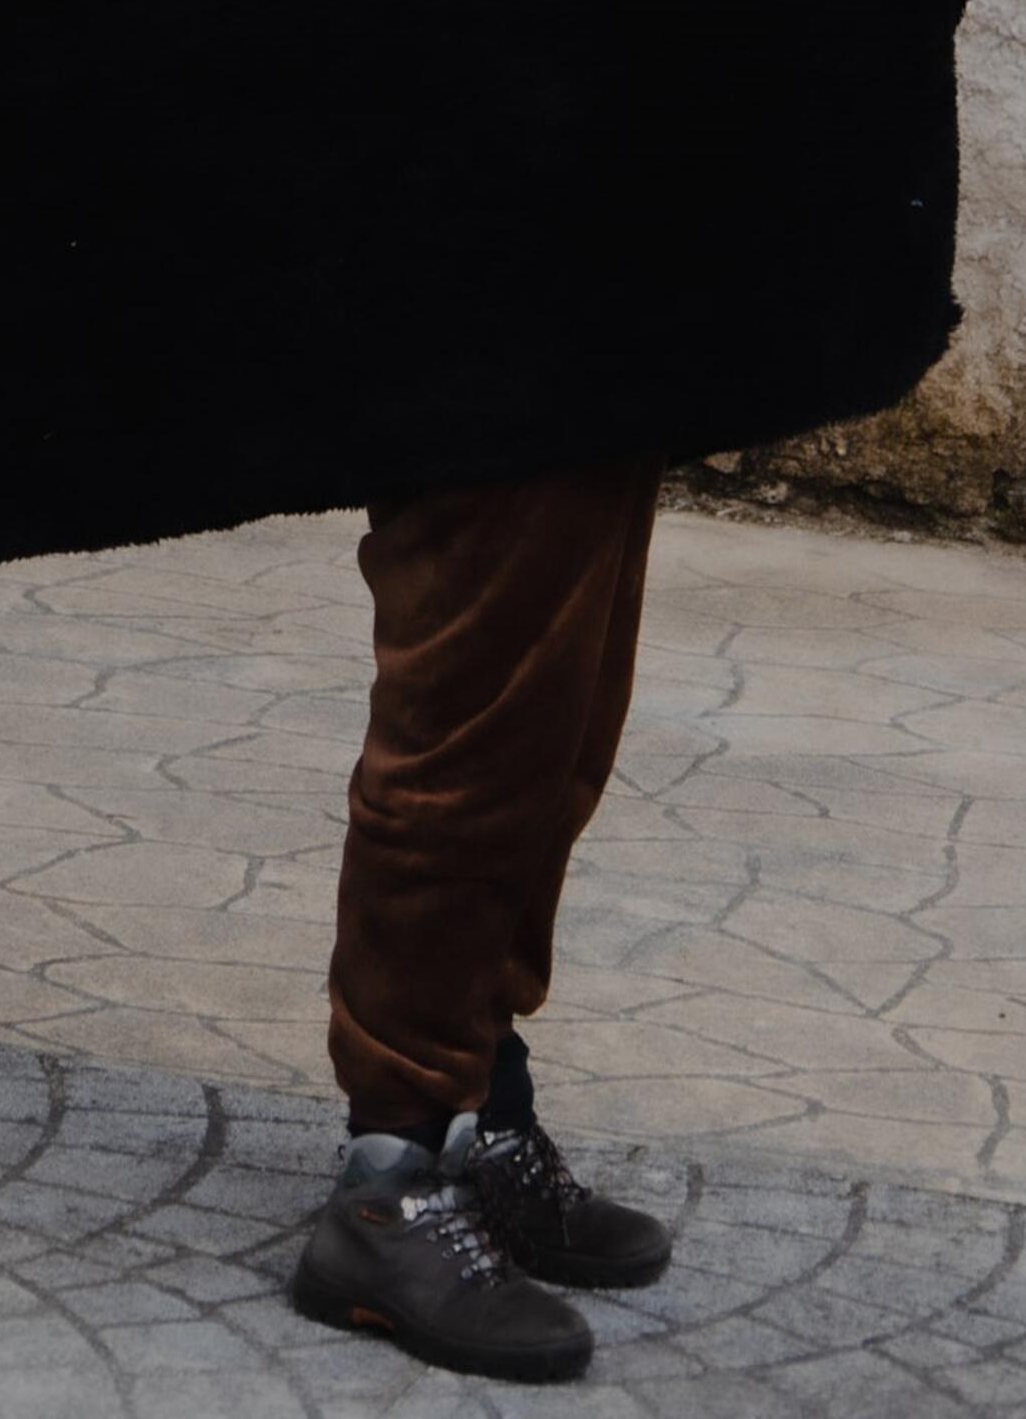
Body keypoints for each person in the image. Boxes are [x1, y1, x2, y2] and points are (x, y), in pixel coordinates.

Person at [290, 450, 672, 1383]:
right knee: (469, 713)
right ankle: (390, 1174)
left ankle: (478, 1108)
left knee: (559, 724)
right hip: (487, 325)